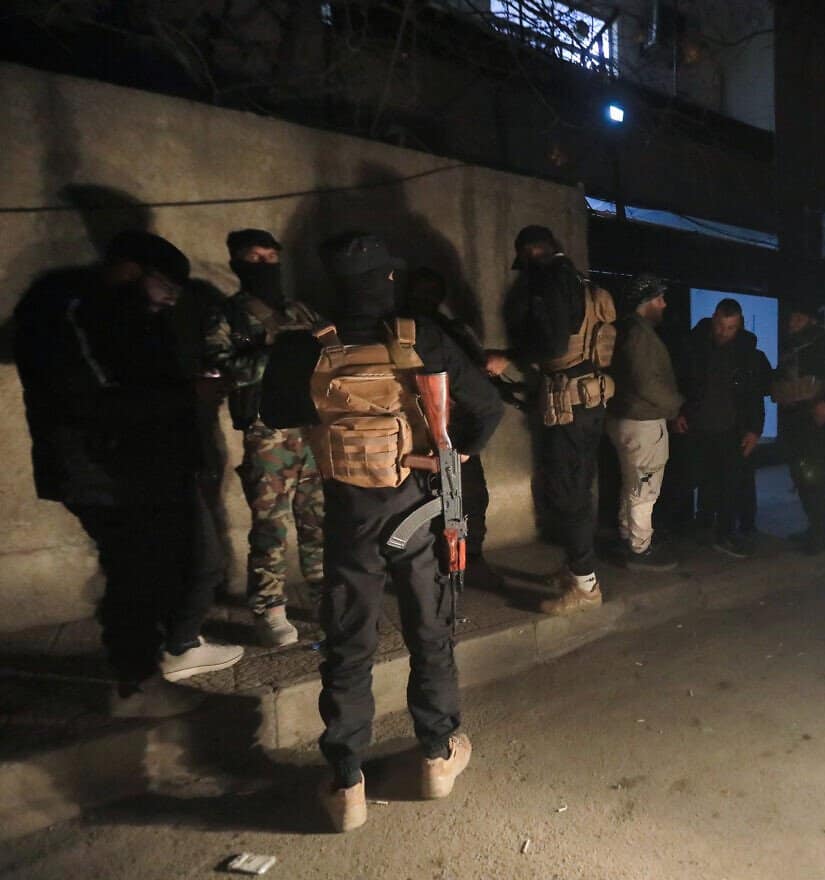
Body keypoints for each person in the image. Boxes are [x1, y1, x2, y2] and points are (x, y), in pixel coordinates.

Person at [266, 232, 503, 831]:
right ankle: (437, 755)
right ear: (389, 281)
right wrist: (460, 454)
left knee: (349, 642)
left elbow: (270, 411)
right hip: (419, 510)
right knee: (430, 631)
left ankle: (346, 782)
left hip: (349, 516)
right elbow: (488, 407)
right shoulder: (421, 338)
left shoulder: (307, 346)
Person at [14, 231, 243, 717]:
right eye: (166, 286)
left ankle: (159, 660)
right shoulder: (70, 309)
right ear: (134, 269)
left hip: (142, 466)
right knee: (134, 572)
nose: (169, 299)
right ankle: (134, 685)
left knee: (159, 566)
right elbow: (87, 401)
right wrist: (190, 396)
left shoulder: (126, 314)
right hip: (103, 470)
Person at [487, 225, 616, 615]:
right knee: (577, 485)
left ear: (530, 252)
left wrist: (508, 357)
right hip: (589, 397)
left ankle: (585, 587)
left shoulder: (552, 281)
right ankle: (578, 569)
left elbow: (554, 344)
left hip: (571, 404)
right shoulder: (577, 279)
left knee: (567, 491)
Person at [204, 229, 324, 646]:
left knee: (319, 519)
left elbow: (333, 351)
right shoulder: (228, 315)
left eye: (271, 257)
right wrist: (274, 356)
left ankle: (324, 597)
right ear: (237, 263)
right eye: (254, 258)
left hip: (312, 427)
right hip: (267, 431)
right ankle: (269, 608)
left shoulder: (301, 311)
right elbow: (219, 367)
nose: (265, 265)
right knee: (271, 524)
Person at [405, 267, 503, 591]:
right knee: (426, 505)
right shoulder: (405, 330)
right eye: (422, 290)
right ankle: (437, 567)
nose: (427, 298)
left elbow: (477, 373)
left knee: (469, 500)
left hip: (455, 429)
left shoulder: (451, 330)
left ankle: (467, 561)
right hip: (417, 430)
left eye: (433, 291)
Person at [678, 298, 768, 558]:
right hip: (699, 427)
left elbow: (754, 396)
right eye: (720, 326)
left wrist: (755, 430)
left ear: (738, 325)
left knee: (730, 484)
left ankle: (725, 533)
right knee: (702, 480)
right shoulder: (696, 345)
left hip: (732, 429)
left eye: (730, 328)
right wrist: (679, 412)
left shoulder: (747, 353)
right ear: (714, 318)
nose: (723, 332)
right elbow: (683, 381)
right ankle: (704, 525)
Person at [605, 273, 683, 571]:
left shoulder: (626, 330)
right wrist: (676, 406)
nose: (664, 304)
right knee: (645, 487)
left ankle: (629, 536)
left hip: (624, 418)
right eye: (659, 298)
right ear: (646, 302)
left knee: (631, 482)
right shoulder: (639, 335)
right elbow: (647, 384)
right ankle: (640, 548)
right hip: (642, 421)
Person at [772, 301, 825, 555]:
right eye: (791, 320)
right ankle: (812, 527)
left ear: (811, 320)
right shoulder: (790, 345)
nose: (793, 324)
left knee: (814, 477)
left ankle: (819, 533)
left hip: (814, 420)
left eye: (799, 319)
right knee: (799, 475)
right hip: (793, 418)